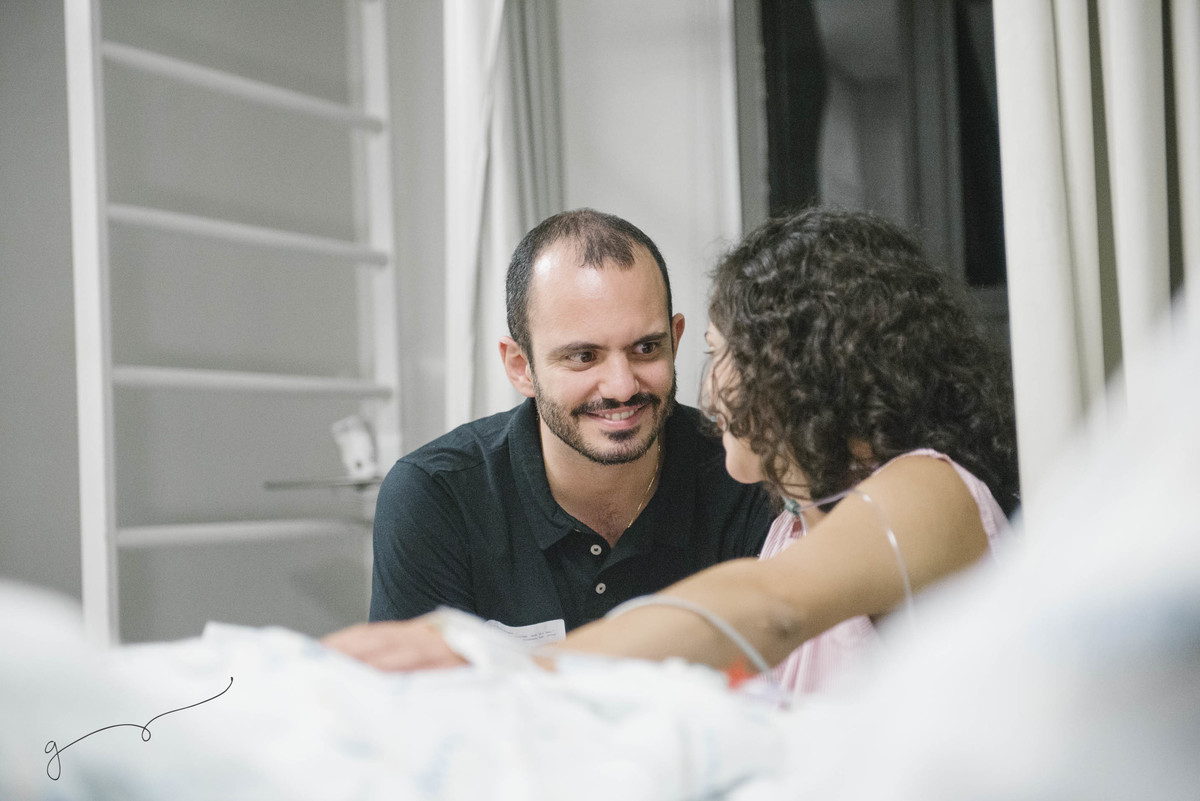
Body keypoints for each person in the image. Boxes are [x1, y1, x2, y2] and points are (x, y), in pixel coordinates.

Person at [326, 208, 1018, 696]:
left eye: (714, 355)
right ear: (520, 364)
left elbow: (765, 607)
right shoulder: (789, 526)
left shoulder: (930, 490)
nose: (709, 392)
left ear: (808, 369)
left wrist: (499, 669)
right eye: (583, 356)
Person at [366, 208, 772, 643]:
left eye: (646, 348)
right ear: (521, 366)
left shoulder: (745, 475)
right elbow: (419, 704)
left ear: (675, 340)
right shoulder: (437, 497)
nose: (621, 386)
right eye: (584, 356)